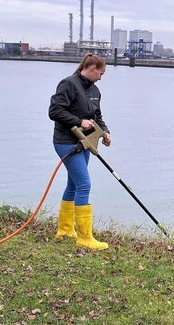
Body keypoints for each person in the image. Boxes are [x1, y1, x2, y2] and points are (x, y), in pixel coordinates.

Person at [48, 53, 111, 250]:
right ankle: (85, 238)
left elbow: (97, 116)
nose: (101, 77)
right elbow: (54, 111)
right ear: (92, 68)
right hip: (66, 142)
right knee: (84, 184)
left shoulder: (95, 91)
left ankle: (65, 229)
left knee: (73, 184)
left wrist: (105, 132)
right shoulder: (68, 84)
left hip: (85, 143)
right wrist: (78, 121)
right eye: (100, 73)